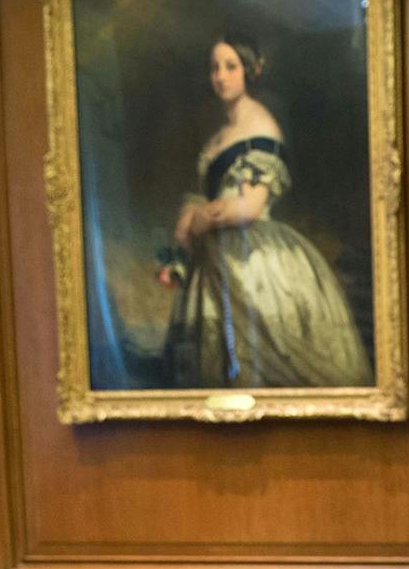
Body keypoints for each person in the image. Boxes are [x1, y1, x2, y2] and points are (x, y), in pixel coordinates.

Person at [157, 38, 372, 388]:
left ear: (250, 72)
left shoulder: (261, 128)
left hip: (253, 255)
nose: (220, 76)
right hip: (213, 255)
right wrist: (190, 213)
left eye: (230, 67)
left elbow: (251, 206)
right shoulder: (221, 133)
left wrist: (202, 217)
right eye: (214, 68)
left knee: (263, 357)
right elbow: (210, 191)